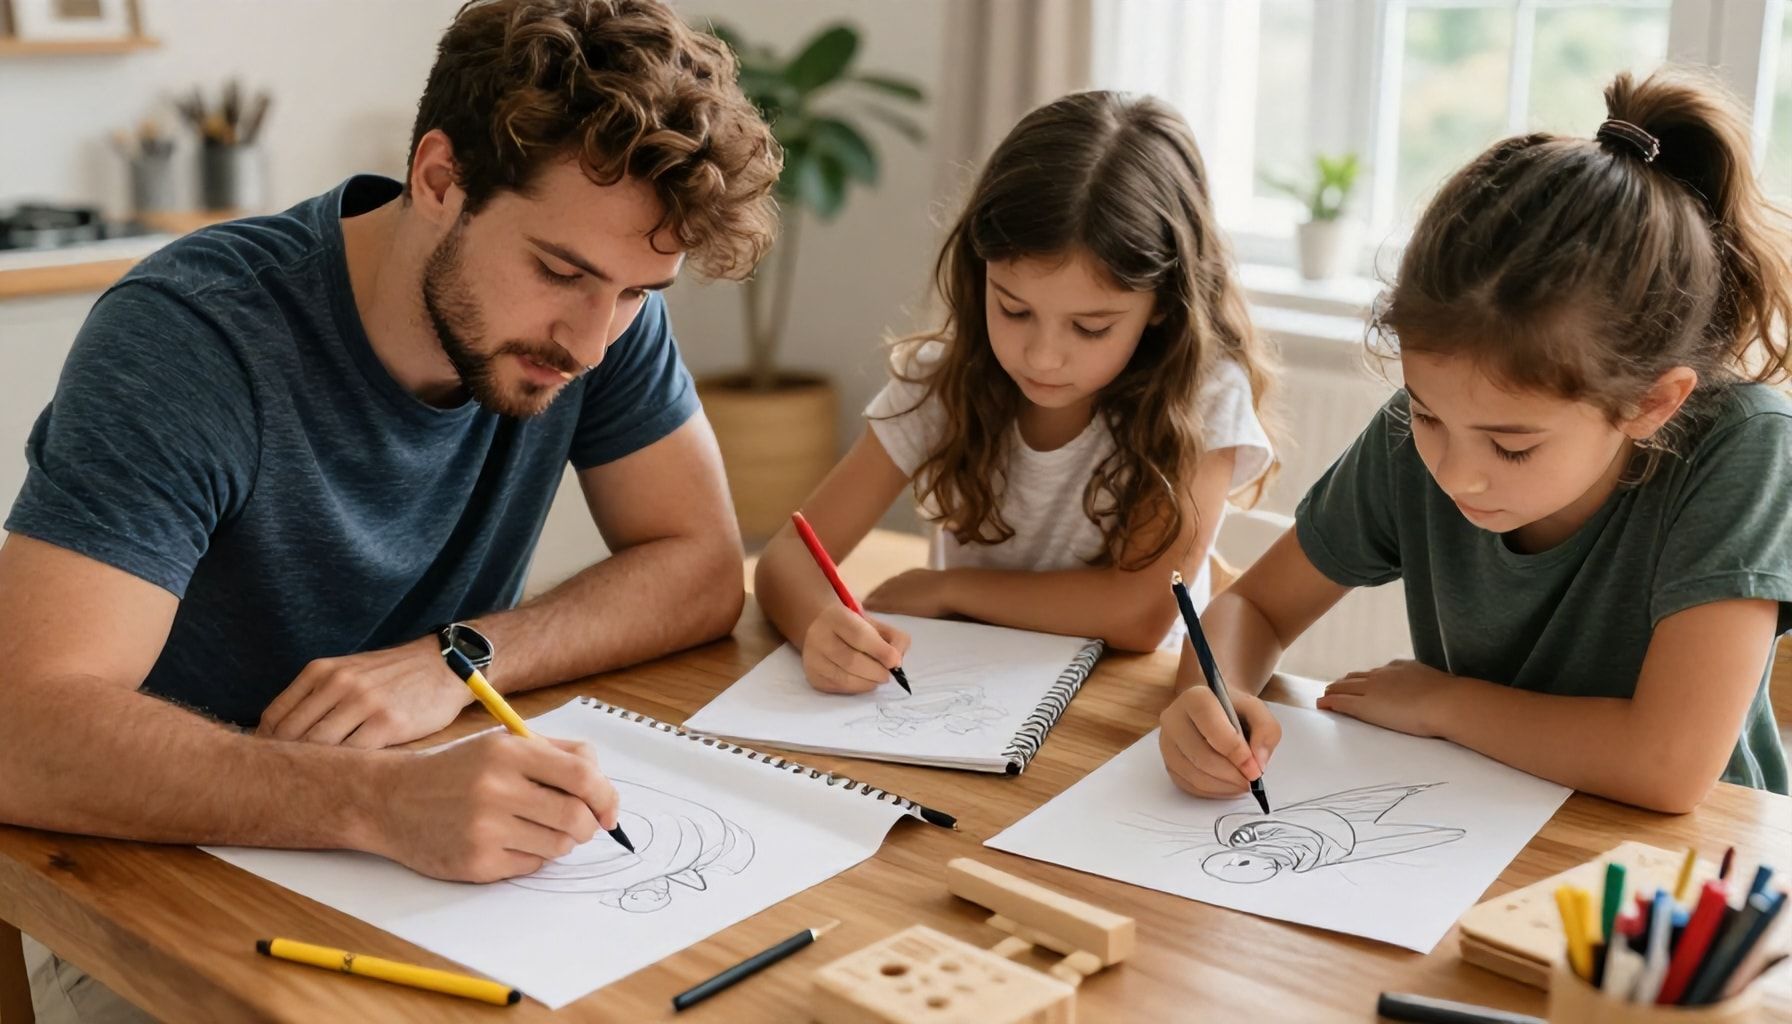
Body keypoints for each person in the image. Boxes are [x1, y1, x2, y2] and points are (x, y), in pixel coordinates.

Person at [1158, 69, 1792, 814]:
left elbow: (1668, 765)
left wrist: (1445, 705)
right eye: (1426, 415)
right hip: (1485, 817)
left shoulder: (1741, 449)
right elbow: (1254, 609)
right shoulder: (1422, 433)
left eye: (1513, 447)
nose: (1457, 474)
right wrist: (1210, 697)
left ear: (1652, 402)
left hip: (1685, 880)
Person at [754, 91, 1276, 694]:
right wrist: (821, 624)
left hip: (1135, 704)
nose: (1043, 356)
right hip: (973, 692)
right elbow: (791, 558)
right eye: (1013, 308)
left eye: (1091, 327)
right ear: (980, 273)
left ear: (1162, 305)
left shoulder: (1204, 399)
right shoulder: (941, 381)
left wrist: (949, 588)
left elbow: (1139, 614)